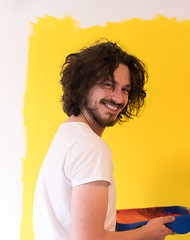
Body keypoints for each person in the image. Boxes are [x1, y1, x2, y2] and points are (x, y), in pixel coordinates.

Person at [33, 40, 175, 240]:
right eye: (109, 85)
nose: (119, 99)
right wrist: (147, 233)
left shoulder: (67, 134)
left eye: (125, 89)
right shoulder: (91, 148)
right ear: (83, 87)